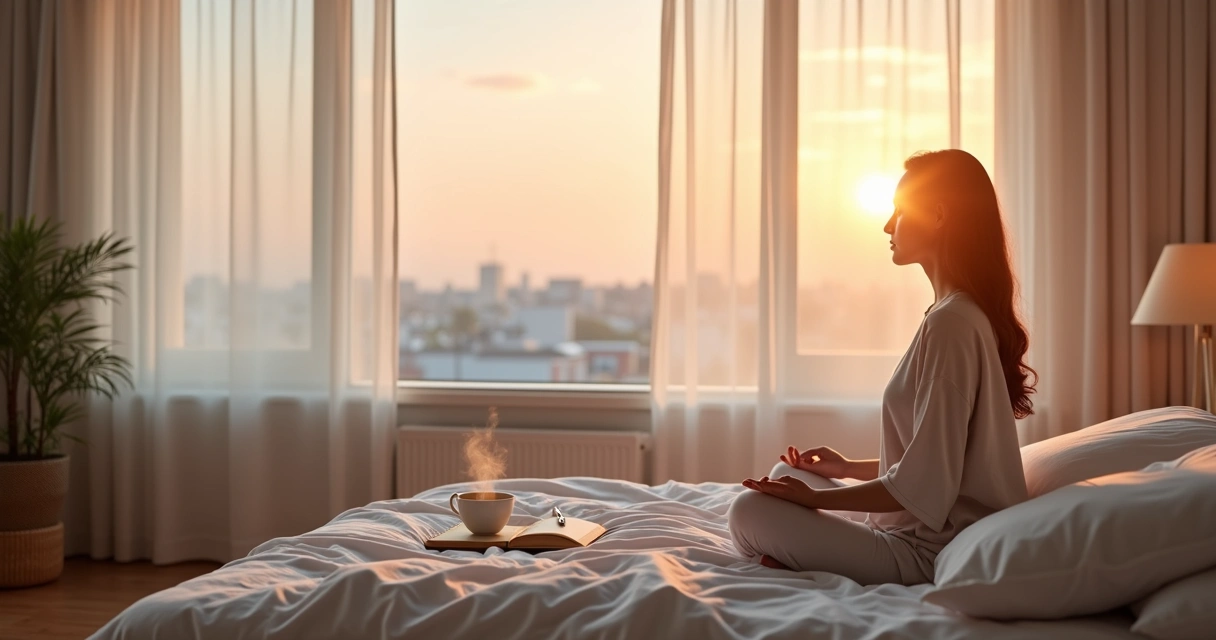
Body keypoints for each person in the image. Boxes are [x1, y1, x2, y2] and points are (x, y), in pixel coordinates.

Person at [727, 149, 1035, 586]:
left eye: (900, 211)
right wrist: (845, 468)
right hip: (912, 530)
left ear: (939, 215)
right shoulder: (951, 314)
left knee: (748, 511)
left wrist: (815, 498)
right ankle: (801, 556)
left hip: (925, 553)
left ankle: (800, 558)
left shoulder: (953, 323)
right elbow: (935, 462)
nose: (888, 225)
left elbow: (927, 486)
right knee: (785, 476)